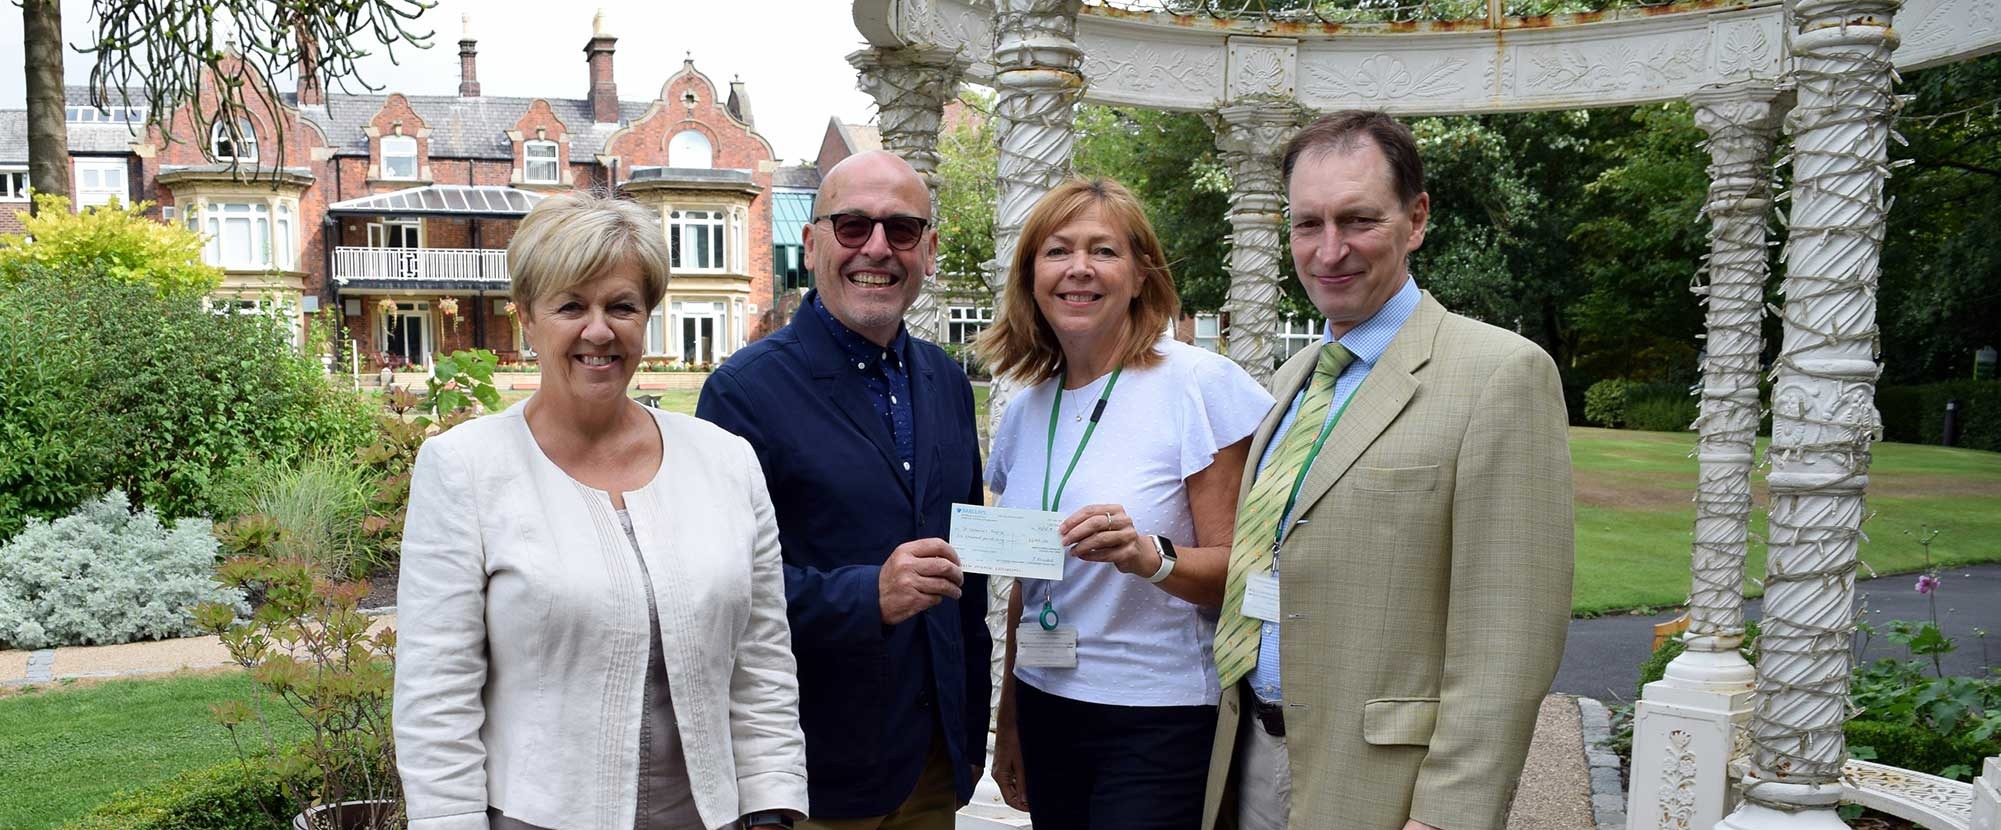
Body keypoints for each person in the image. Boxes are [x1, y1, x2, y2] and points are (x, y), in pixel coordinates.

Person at [1200, 111, 1574, 830]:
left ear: (1416, 218)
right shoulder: (1292, 381)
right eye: (1307, 224)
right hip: (1249, 754)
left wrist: (1447, 814)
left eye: (1357, 220)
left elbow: (1509, 634)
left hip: (1385, 789)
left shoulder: (1500, 374)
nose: (1328, 250)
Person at [395, 191, 806, 830]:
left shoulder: (726, 463)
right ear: (525, 319)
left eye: (621, 306)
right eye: (569, 306)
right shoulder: (466, 468)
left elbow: (762, 663)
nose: (598, 330)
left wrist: (773, 805)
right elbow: (436, 696)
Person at [696, 150, 990, 830]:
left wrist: (968, 734)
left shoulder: (945, 381)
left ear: (930, 249)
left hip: (931, 766)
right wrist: (867, 595)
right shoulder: (745, 393)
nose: (878, 249)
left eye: (902, 230)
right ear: (812, 242)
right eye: (853, 226)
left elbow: (964, 575)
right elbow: (717, 590)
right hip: (812, 771)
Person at [978, 178, 1272, 830]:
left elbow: (1245, 577)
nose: (1077, 269)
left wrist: (1150, 557)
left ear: (1141, 274)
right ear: (1032, 275)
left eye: (1102, 251)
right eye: (1057, 251)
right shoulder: (1028, 409)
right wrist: (1009, 725)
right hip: (1047, 703)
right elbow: (1031, 581)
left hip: (1156, 717)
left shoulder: (1197, 384)